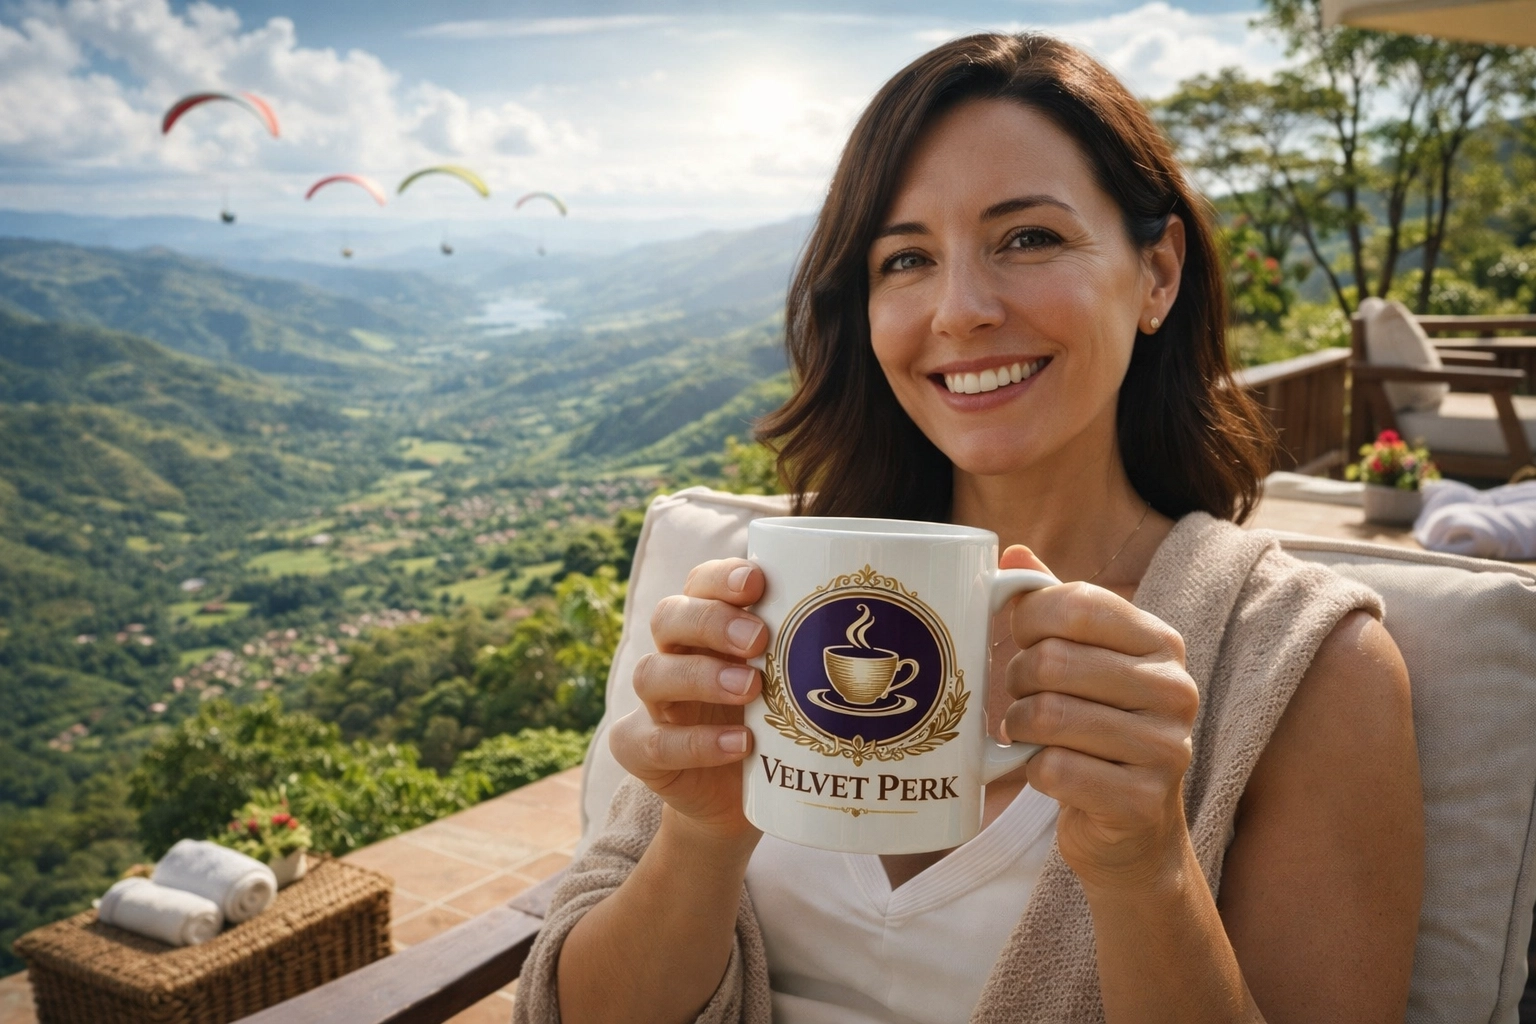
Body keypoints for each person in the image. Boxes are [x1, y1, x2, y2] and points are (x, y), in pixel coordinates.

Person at [514, 32, 1423, 1024]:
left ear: (1157, 271)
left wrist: (1145, 875)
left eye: (1027, 237)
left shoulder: (1308, 665)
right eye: (905, 259)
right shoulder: (770, 601)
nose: (961, 310)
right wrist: (698, 834)